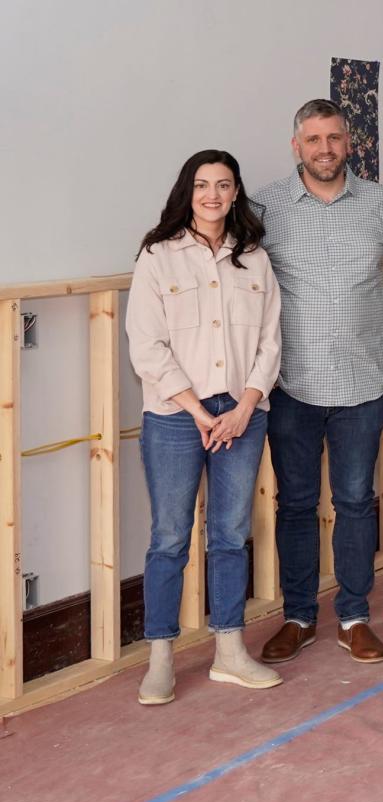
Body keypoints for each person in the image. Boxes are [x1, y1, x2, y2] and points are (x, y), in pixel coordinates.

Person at [252, 99, 383, 665]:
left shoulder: (381, 204)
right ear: (295, 145)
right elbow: (235, 283)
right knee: (296, 505)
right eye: (313, 139)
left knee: (355, 501)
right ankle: (299, 616)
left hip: (363, 384)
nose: (324, 149)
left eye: (333, 138)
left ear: (347, 143)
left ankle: (354, 616)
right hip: (288, 387)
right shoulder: (264, 206)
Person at [127, 149, 283, 704]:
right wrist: (199, 411)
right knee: (169, 537)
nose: (212, 195)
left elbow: (270, 341)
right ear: (187, 193)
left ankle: (229, 652)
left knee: (230, 534)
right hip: (175, 416)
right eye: (201, 185)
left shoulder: (255, 259)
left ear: (236, 192)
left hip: (242, 413)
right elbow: (147, 346)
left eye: (222, 185)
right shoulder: (158, 257)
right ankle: (161, 658)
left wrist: (244, 407)